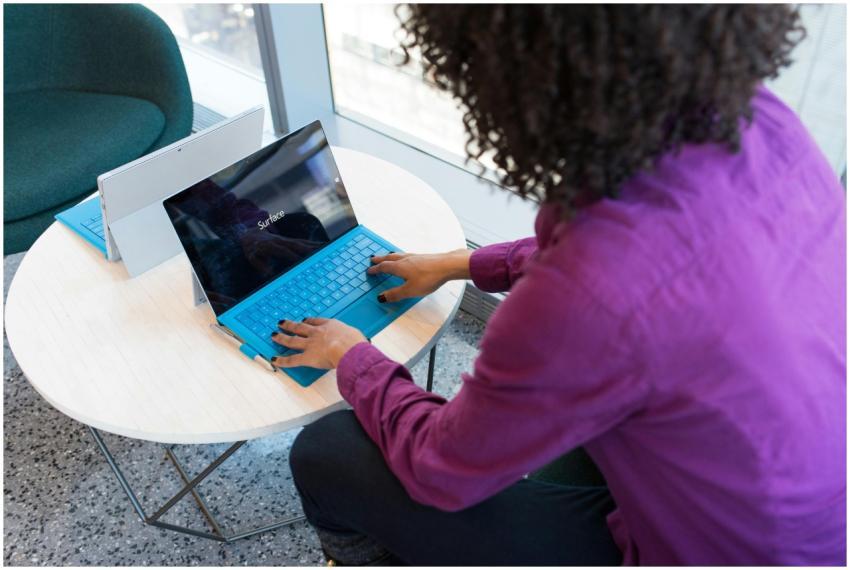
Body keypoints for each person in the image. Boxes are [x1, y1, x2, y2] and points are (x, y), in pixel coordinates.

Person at [270, 4, 846, 565]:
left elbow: (439, 467)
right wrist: (459, 263)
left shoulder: (587, 296)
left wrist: (355, 359)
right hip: (808, 509)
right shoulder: (764, 122)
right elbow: (629, 260)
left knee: (326, 452)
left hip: (706, 552)